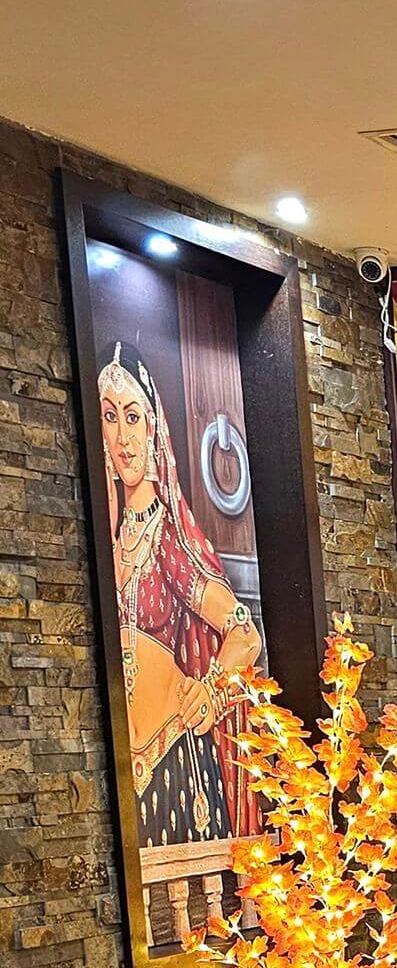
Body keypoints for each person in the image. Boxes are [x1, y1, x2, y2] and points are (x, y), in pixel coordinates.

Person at [99, 345, 261, 848]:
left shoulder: (168, 538)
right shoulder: (109, 541)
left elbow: (244, 634)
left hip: (174, 762)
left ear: (153, 426)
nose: (123, 439)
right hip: (127, 771)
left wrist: (211, 691)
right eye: (110, 417)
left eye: (132, 417)